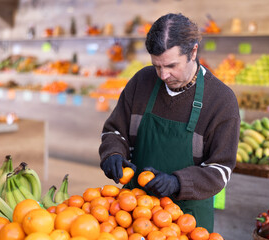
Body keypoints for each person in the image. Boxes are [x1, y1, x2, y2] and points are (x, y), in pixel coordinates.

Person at [99, 13, 240, 232]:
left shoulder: (221, 100)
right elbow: (115, 131)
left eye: (171, 66)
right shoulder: (141, 82)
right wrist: (113, 154)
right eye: (157, 66)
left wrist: (178, 183)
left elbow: (220, 169)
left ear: (193, 52)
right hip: (134, 214)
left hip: (187, 221)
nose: (163, 75)